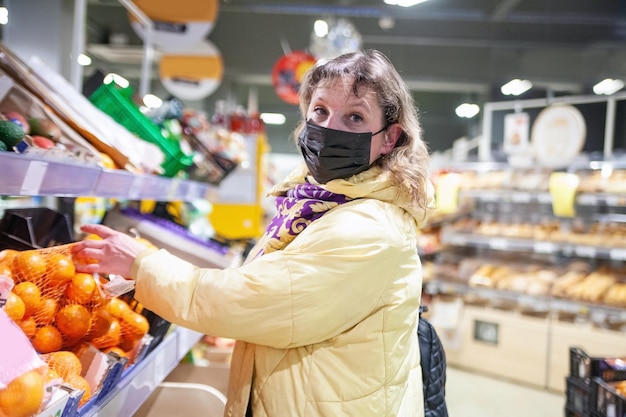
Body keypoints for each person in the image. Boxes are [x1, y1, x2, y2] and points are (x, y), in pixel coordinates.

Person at [72, 49, 433, 417]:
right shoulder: (318, 202)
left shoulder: (367, 228)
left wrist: (143, 265)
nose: (329, 128)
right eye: (320, 111)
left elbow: (254, 301)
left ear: (389, 138)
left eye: (354, 117)